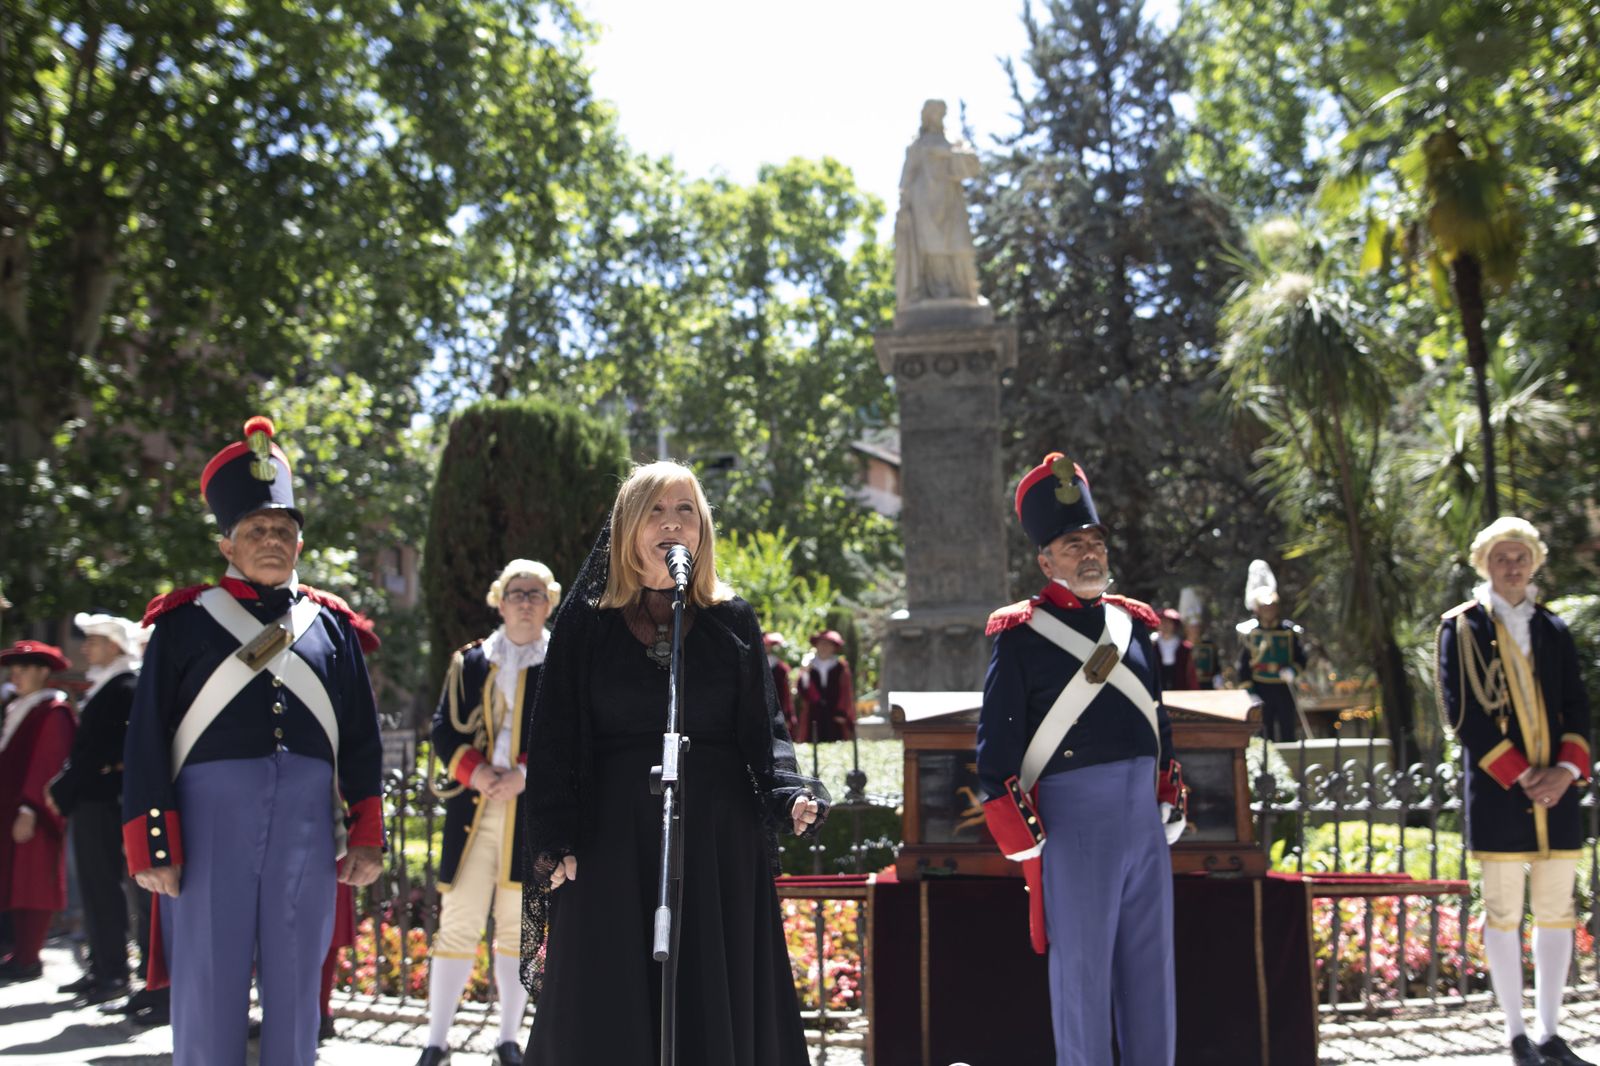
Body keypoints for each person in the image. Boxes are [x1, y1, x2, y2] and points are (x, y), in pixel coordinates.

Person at [520, 460, 827, 1066]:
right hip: (610, 842)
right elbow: (554, 736)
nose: (672, 523)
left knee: (711, 1002)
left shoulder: (732, 619)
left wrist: (789, 792)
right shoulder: (588, 622)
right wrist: (554, 836)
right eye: (656, 510)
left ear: (702, 528)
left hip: (716, 844)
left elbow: (764, 735)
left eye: (685, 510)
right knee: (609, 1008)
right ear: (629, 527)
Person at [122, 415, 385, 1066]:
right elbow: (148, 739)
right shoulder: (183, 625)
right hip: (210, 826)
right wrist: (156, 845)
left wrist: (367, 831)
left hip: (305, 825)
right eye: (257, 530)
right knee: (210, 986)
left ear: (299, 544)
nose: (273, 541)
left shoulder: (332, 628)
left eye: (284, 531)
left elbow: (360, 737)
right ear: (228, 546)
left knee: (299, 994)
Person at [977, 453, 1185, 1066]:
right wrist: (1031, 843)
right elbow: (996, 751)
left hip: (1144, 823)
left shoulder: (1134, 626)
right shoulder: (1018, 634)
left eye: (1095, 541)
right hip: (1072, 825)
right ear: (1046, 560)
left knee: (1153, 973)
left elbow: (1157, 720)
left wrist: (1169, 798)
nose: (1090, 554)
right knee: (1083, 979)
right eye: (1073, 544)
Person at [1437, 517, 1593, 1066]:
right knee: (1503, 912)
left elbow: (1578, 705)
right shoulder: (1461, 628)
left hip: (1560, 794)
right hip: (1502, 792)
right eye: (1502, 557)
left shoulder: (1553, 627)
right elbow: (1462, 714)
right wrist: (1525, 775)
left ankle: (1551, 1033)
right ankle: (1515, 1034)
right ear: (1485, 564)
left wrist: (1566, 773)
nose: (1512, 566)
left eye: (1521, 557)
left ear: (1533, 563)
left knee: (1557, 912)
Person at [416, 559, 559, 1066]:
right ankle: (436, 1040)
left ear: (550, 603)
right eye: (517, 592)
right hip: (473, 812)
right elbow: (442, 729)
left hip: (528, 814)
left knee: (516, 929)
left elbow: (569, 739)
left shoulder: (561, 661)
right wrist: (476, 772)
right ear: (499, 601)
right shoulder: (470, 662)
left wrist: (524, 775)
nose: (525, 600)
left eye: (536, 593)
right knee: (456, 923)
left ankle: (508, 1041)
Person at [47, 613, 144, 1004]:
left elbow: (107, 751)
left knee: (105, 886)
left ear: (115, 646)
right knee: (92, 886)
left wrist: (64, 785)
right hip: (91, 797)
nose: (85, 648)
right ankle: (101, 967)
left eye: (94, 641)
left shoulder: (126, 686)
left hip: (106, 800)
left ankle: (114, 972)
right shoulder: (108, 684)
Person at [0, 641, 76, 984]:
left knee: (32, 880)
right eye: (13, 668)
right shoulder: (20, 707)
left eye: (24, 668)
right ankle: (18, 952)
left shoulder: (52, 711)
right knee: (14, 879)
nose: (14, 674)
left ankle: (29, 956)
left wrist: (31, 808)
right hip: (11, 809)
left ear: (44, 672)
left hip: (32, 813)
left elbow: (49, 761)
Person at [1235, 559, 1308, 741]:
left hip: (1284, 687)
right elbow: (1243, 666)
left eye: (1272, 607)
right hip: (1261, 687)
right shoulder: (1249, 633)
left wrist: (1292, 670)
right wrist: (1250, 693)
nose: (1269, 611)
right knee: (1263, 732)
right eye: (1265, 607)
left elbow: (1302, 658)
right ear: (1257, 609)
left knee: (1287, 730)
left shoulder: (1289, 631)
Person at [795, 629, 855, 743]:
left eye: (828, 644)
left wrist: (842, 712)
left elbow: (846, 691)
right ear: (816, 645)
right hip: (814, 711)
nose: (824, 647)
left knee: (836, 740)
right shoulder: (809, 664)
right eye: (821, 644)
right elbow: (802, 688)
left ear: (834, 647)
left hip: (834, 711)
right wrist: (806, 672)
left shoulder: (840, 666)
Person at [1154, 608, 1199, 691]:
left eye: (1168, 622)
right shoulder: (1152, 646)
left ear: (1174, 625)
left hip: (1180, 689)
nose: (1165, 626)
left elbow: (1191, 673)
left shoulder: (1185, 648)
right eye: (1163, 622)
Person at [764, 632, 796, 738]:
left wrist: (787, 715)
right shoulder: (753, 665)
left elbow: (786, 694)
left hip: (777, 709)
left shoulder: (781, 669)